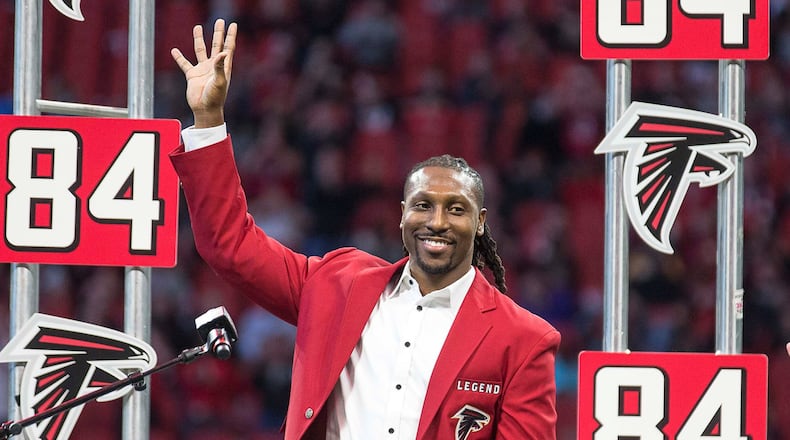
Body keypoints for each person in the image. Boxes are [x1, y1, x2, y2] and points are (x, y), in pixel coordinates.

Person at [169, 19, 561, 439]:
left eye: (457, 209)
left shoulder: (522, 339)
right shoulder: (336, 285)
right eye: (423, 205)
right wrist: (209, 120)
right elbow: (229, 245)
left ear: (481, 222)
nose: (437, 222)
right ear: (402, 214)